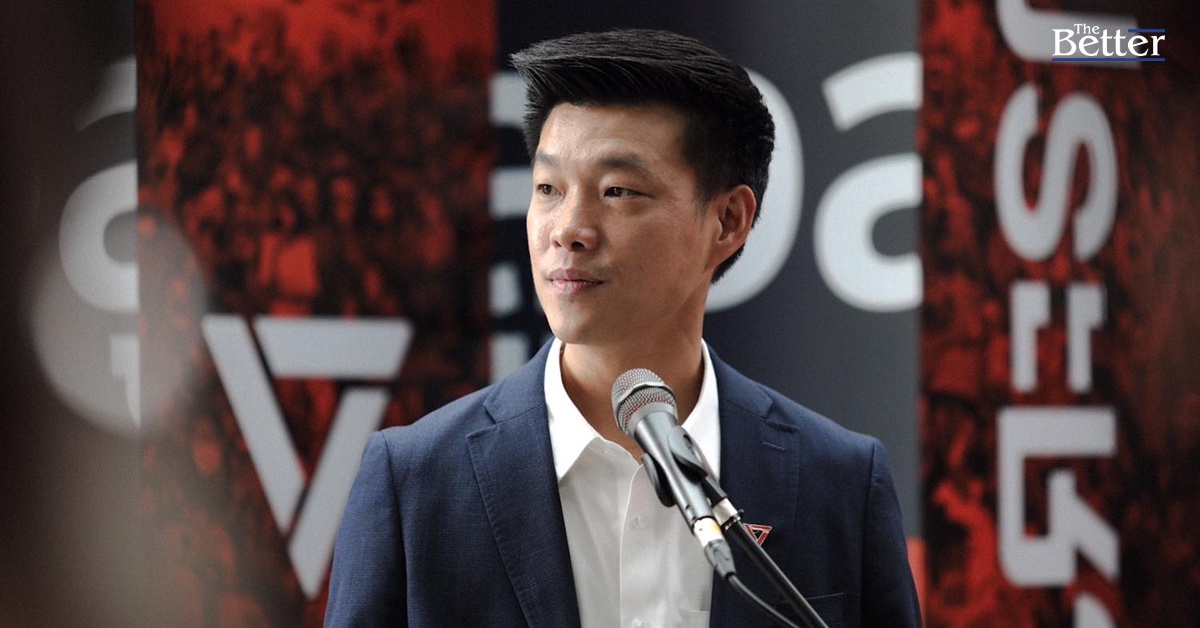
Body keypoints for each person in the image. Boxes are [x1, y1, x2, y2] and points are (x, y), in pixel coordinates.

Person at [325, 28, 921, 628]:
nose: (568, 229)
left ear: (728, 221)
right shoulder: (416, 481)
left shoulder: (838, 482)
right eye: (548, 189)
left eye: (617, 191)